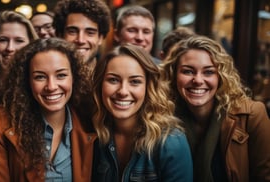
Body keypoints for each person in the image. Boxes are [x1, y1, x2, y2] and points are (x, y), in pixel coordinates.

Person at [0, 38, 96, 181]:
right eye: (40, 77)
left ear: (74, 77)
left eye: (61, 75)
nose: (51, 86)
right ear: (26, 81)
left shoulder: (89, 119)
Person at [161, 35, 270, 181]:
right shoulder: (161, 117)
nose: (198, 80)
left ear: (221, 76)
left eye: (209, 72)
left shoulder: (251, 115)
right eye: (188, 71)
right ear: (173, 75)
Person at [91, 44, 193, 181]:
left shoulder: (171, 141)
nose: (123, 91)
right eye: (113, 80)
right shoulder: (95, 135)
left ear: (148, 87)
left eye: (134, 81)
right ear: (100, 85)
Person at [53, 0, 111, 70]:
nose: (81, 40)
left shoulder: (108, 77)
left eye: (90, 33)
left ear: (100, 38)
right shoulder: (50, 78)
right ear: (60, 35)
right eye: (72, 32)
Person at [0, 10, 38, 82]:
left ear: (31, 43)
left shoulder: (39, 83)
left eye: (19, 41)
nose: (10, 48)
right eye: (3, 40)